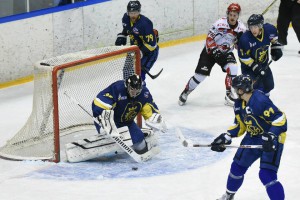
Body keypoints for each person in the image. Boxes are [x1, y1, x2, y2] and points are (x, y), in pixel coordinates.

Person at [211, 74, 287, 200]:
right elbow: (240, 126)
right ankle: (229, 196)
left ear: (241, 90)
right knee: (237, 167)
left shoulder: (259, 101)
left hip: (272, 138)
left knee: (266, 174)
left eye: (235, 89)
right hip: (254, 136)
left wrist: (271, 135)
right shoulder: (238, 104)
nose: (234, 92)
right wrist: (227, 136)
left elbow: (280, 118)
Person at [178, 3, 246, 107]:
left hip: (225, 52)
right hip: (210, 52)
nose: (232, 17)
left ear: (238, 16)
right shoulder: (219, 23)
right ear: (228, 14)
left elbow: (238, 47)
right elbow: (209, 38)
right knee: (200, 76)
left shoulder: (241, 28)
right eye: (231, 15)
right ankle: (186, 91)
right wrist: (214, 49)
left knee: (233, 68)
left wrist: (240, 41)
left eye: (235, 15)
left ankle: (229, 95)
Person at [92, 74, 167, 155]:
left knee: (141, 147)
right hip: (112, 122)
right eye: (132, 89)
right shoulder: (118, 88)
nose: (134, 93)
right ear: (127, 86)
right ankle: (105, 136)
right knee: (109, 146)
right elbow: (98, 103)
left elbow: (149, 108)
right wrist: (104, 120)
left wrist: (155, 119)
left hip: (127, 123)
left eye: (137, 90)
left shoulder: (144, 94)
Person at [238, 14, 283, 96]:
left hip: (263, 64)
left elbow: (274, 41)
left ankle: (264, 101)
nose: (253, 30)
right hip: (248, 68)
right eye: (251, 27)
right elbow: (243, 57)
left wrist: (276, 49)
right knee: (254, 88)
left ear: (260, 26)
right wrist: (255, 66)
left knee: (269, 85)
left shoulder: (269, 30)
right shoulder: (245, 39)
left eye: (255, 27)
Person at [115, 1, 159, 82]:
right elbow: (127, 29)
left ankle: (140, 92)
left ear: (139, 12)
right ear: (128, 12)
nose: (133, 15)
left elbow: (152, 45)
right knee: (127, 70)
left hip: (149, 53)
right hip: (134, 49)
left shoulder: (145, 24)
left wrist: (140, 53)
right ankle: (127, 89)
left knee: (139, 75)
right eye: (131, 13)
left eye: (135, 13)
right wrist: (123, 35)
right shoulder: (125, 18)